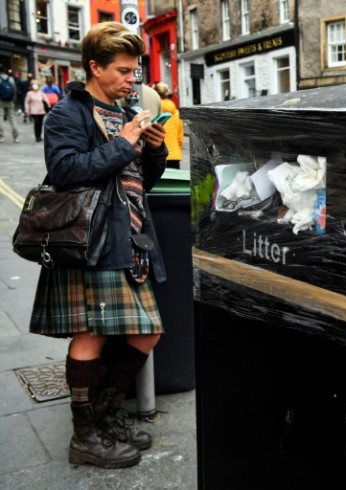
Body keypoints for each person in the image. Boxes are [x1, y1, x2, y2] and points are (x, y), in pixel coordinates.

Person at [29, 21, 168, 469]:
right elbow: (66, 171)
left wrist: (153, 150)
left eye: (136, 71)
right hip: (90, 240)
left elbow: (138, 182)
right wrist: (125, 145)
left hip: (128, 236)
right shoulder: (66, 114)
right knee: (92, 333)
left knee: (147, 331)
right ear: (95, 67)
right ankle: (85, 435)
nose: (133, 79)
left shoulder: (126, 114)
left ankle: (104, 416)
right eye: (125, 71)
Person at [153, 82, 184, 168]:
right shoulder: (176, 112)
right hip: (174, 155)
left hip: (158, 154)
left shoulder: (154, 110)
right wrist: (177, 149)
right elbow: (180, 137)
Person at [0, 64, 20, 143]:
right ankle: (16, 136)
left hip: (0, 101)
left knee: (0, 118)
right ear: (4, 70)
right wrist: (13, 99)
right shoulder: (10, 79)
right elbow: (14, 90)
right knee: (12, 118)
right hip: (10, 101)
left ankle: (1, 136)